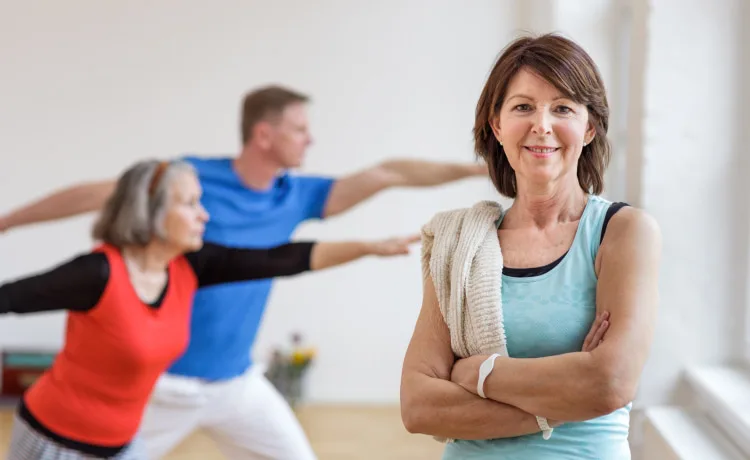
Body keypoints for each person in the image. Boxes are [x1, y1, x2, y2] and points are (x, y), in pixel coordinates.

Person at [0, 85, 486, 459]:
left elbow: (386, 176)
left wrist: (478, 170)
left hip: (235, 382)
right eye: (299, 129)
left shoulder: (294, 197)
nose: (310, 139)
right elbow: (92, 195)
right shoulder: (186, 179)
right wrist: (6, 222)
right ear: (264, 134)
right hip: (161, 385)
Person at [1, 159, 419, 460]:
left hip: (123, 446)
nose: (205, 214)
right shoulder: (98, 273)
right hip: (54, 443)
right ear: (152, 211)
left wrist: (368, 248)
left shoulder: (188, 266)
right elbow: (9, 298)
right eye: (190, 204)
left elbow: (280, 259)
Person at [400, 33, 661, 459]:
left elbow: (610, 383)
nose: (542, 124)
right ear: (497, 125)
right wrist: (561, 403)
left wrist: (478, 373)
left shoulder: (623, 231)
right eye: (523, 106)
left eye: (562, 108)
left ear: (589, 126)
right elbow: (418, 406)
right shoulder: (457, 244)